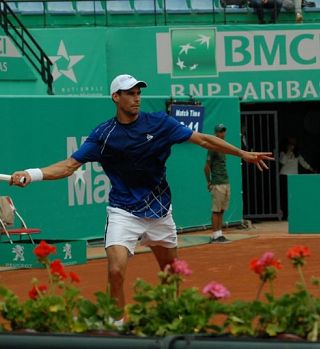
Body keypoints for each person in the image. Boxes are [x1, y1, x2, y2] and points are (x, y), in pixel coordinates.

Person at [10, 74, 273, 322]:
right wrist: (32, 175)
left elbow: (203, 139)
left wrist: (244, 154)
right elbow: (68, 166)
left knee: (171, 273)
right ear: (116, 97)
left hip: (160, 213)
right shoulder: (104, 135)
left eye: (138, 93)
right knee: (115, 270)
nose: (136, 98)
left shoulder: (160, 123)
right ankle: (117, 325)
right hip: (123, 213)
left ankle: (173, 319)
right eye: (130, 93)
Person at [204, 124, 231, 243]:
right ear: (216, 133)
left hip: (225, 182)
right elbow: (206, 167)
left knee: (222, 209)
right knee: (216, 210)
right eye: (220, 131)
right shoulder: (213, 148)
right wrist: (209, 182)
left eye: (224, 131)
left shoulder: (223, 147)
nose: (222, 134)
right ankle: (215, 235)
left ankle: (220, 233)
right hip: (217, 183)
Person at [279, 136, 315, 220]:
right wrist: (288, 152)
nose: (291, 146)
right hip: (284, 175)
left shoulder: (297, 154)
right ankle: (285, 215)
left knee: (293, 196)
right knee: (285, 197)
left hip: (294, 176)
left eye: (293, 145)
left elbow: (303, 163)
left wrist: (311, 169)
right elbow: (282, 161)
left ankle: (294, 214)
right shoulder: (283, 153)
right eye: (290, 145)